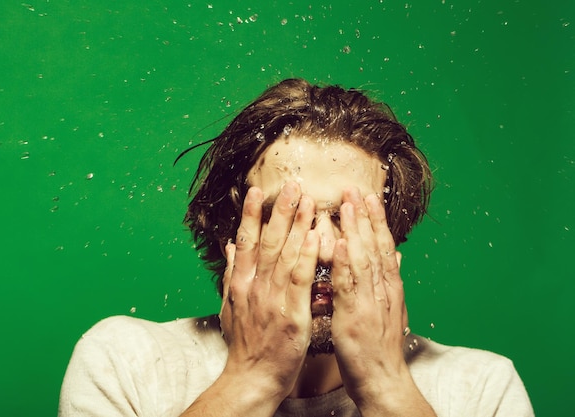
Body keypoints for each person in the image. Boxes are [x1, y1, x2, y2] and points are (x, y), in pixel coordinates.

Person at [58, 78, 534, 416]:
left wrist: (386, 387)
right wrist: (254, 378)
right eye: (288, 218)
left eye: (351, 220)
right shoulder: (126, 361)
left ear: (390, 240)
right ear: (232, 237)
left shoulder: (481, 390)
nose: (324, 248)